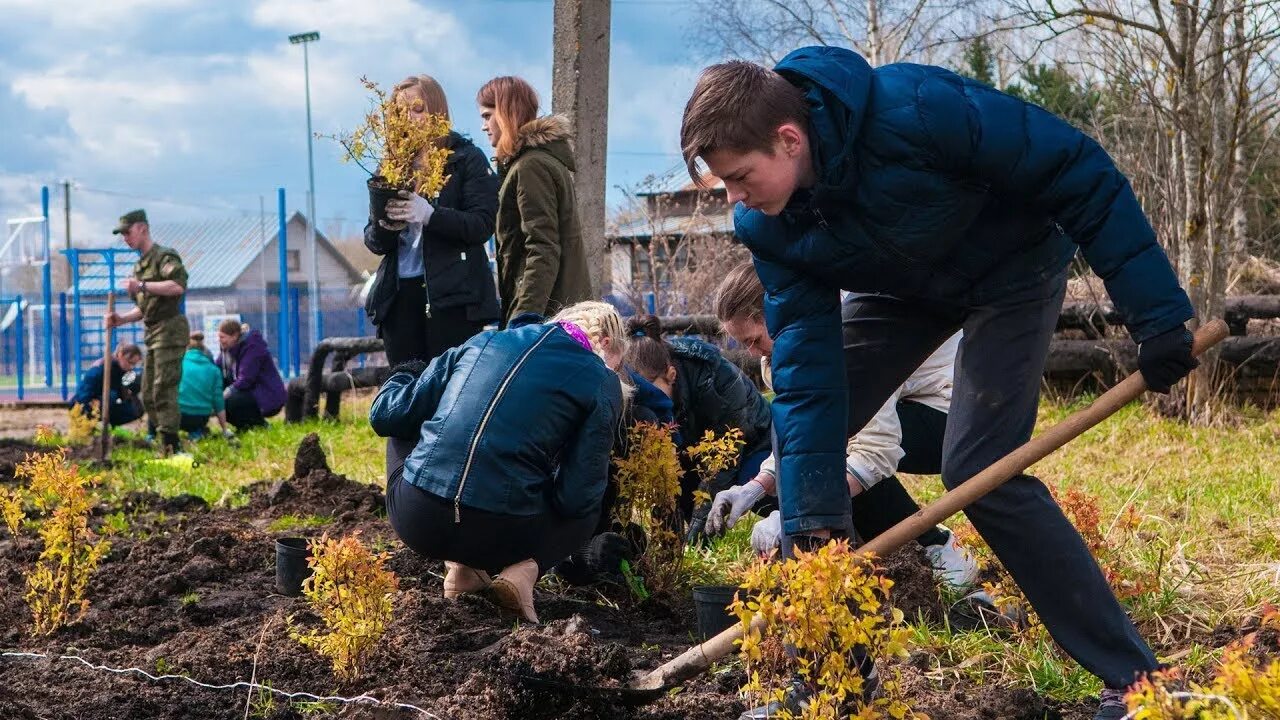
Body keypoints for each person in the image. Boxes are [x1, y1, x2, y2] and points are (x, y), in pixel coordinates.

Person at [679, 48, 1197, 720]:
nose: (734, 198)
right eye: (724, 184)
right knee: (806, 451)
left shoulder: (916, 111)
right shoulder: (771, 223)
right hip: (906, 291)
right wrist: (804, 524)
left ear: (789, 138)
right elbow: (807, 376)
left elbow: (1079, 169)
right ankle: (835, 687)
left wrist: (1155, 314)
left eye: (740, 177)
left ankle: (1137, 684)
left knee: (982, 469)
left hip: (1015, 273)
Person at [706, 262, 978, 592]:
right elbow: (799, 437)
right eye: (743, 345)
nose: (753, 353)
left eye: (754, 340)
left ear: (778, 313)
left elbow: (875, 450)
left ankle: (935, 551)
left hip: (963, 418)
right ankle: (882, 555)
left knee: (833, 457)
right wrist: (755, 487)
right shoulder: (789, 351)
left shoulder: (846, 332)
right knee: (822, 451)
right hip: (914, 404)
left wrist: (801, 512)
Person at [370, 303, 625, 623]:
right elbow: (576, 498)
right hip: (503, 535)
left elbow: (385, 415)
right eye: (618, 365)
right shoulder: (600, 378)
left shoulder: (482, 342)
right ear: (604, 342)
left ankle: (463, 571)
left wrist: (403, 373)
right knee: (590, 496)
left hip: (418, 520)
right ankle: (524, 572)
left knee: (402, 426)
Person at [363, 74, 502, 366]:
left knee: (448, 388)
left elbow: (481, 225)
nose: (410, 119)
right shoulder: (390, 167)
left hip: (452, 298)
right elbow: (374, 241)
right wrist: (385, 226)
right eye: (401, 113)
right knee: (405, 389)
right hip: (399, 297)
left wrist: (431, 215)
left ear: (437, 110)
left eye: (418, 109)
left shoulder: (466, 159)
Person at [622, 314, 773, 540]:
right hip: (696, 448)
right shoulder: (639, 389)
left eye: (651, 392)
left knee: (753, 486)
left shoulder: (712, 375)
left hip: (753, 442)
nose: (648, 403)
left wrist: (700, 526)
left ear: (671, 375)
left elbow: (725, 457)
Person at [477, 76, 591, 326]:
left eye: (487, 116)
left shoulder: (531, 166)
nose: (484, 126)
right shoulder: (532, 163)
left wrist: (524, 318)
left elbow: (542, 247)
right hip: (554, 313)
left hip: (548, 318)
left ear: (506, 113)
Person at [105, 209, 189, 454]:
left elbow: (176, 286)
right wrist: (120, 319)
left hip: (170, 331)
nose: (125, 238)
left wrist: (141, 285)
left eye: (128, 232)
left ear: (142, 228)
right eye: (122, 235)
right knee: (148, 393)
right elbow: (144, 308)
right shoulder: (140, 266)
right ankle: (162, 440)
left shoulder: (164, 257)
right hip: (152, 333)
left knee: (164, 389)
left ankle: (172, 446)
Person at [215, 320, 286, 431]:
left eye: (222, 337)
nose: (219, 341)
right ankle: (245, 427)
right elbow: (217, 370)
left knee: (228, 403)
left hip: (266, 394)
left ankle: (260, 425)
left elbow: (246, 379)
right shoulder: (228, 351)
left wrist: (224, 394)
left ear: (234, 336)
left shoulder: (253, 348)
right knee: (221, 401)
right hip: (250, 392)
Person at [71, 343, 144, 427]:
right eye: (130, 362)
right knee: (111, 395)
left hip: (106, 405)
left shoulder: (124, 372)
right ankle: (89, 424)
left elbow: (128, 392)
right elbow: (83, 396)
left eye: (134, 365)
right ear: (120, 355)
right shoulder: (101, 368)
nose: (131, 367)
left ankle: (108, 426)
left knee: (136, 409)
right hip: (86, 405)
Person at [178, 333, 233, 441]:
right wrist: (224, 429)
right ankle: (196, 432)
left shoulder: (178, 364)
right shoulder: (214, 370)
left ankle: (151, 435)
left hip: (176, 416)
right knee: (196, 423)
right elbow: (219, 402)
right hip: (199, 418)